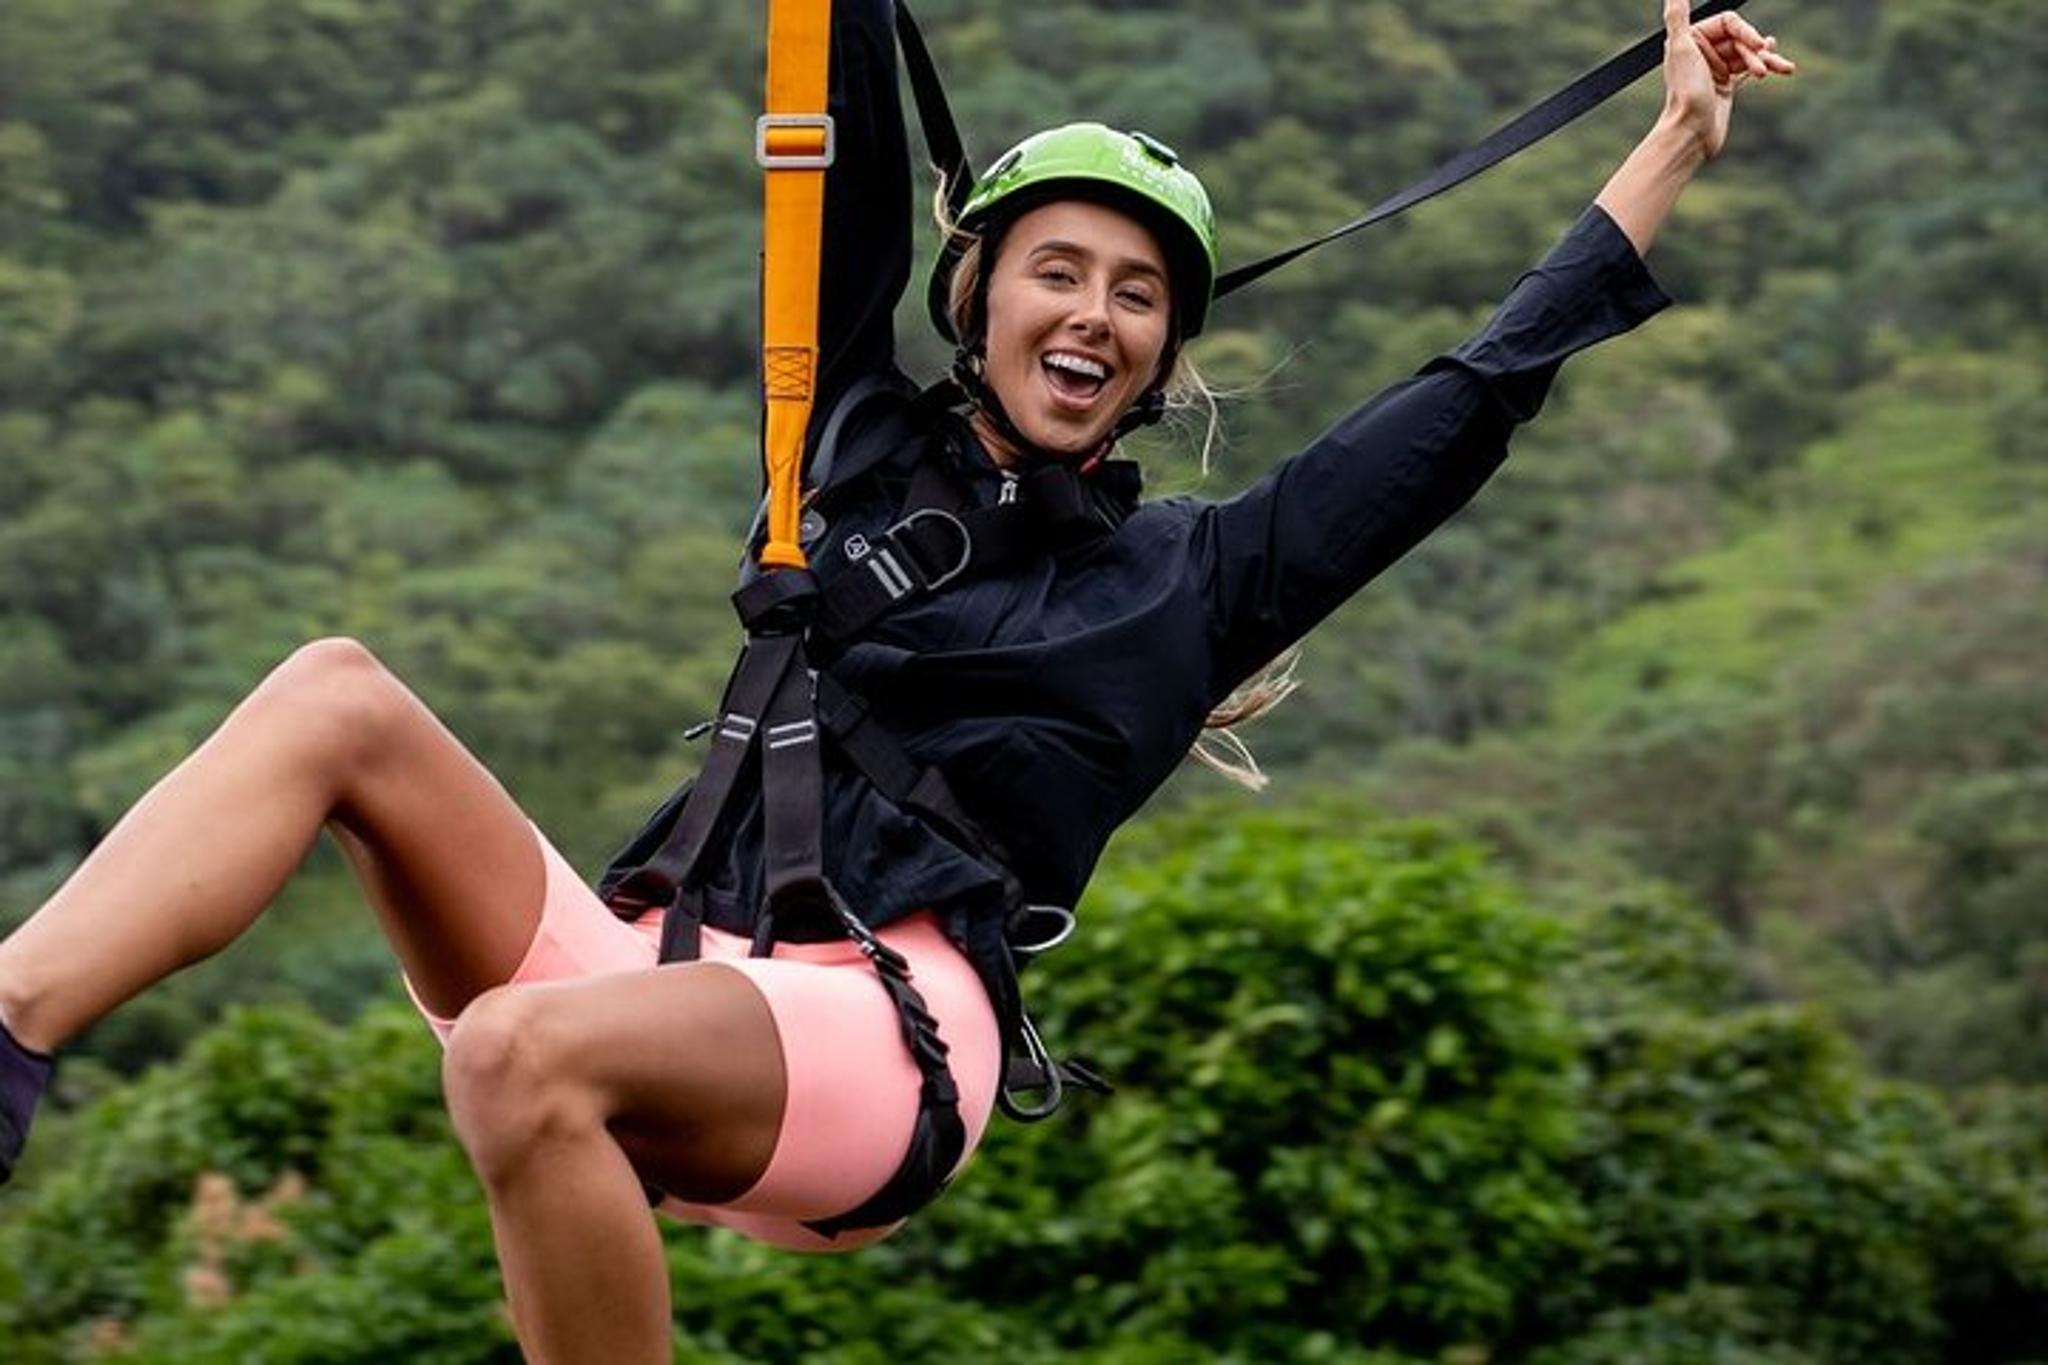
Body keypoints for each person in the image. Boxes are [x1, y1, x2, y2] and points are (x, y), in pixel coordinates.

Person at [0, 1, 1793, 1359]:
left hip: (883, 1029)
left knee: (520, 1054)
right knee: (337, 696)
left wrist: (1666, 154)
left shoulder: (1197, 579)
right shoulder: (849, 441)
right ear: (980, 293)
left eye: (1139, 294)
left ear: (1169, 347)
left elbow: (1468, 398)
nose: (1093, 313)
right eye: (1058, 272)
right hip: (669, 953)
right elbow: (834, 102)